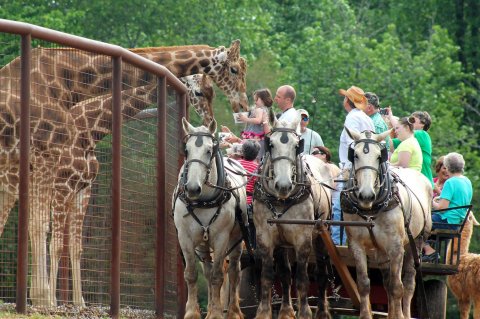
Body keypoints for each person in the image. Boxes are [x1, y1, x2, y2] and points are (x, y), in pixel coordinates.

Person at [333, 85, 375, 245]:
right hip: (366, 168)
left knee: (338, 208)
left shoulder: (352, 118)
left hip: (351, 169)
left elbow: (353, 145)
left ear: (347, 101)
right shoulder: (366, 118)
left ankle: (339, 244)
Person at [422, 152, 473, 262]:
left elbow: (442, 207)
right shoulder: (466, 181)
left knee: (416, 223)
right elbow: (455, 201)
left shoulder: (450, 182)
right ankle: (425, 251)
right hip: (457, 223)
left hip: (445, 221)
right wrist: (437, 200)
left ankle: (429, 251)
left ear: (448, 166)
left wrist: (429, 201)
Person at [388, 109, 433, 186]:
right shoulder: (407, 140)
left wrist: (391, 117)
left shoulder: (423, 134)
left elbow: (403, 129)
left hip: (423, 180)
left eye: (412, 120)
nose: (409, 122)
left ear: (423, 124)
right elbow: (390, 144)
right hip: (416, 181)